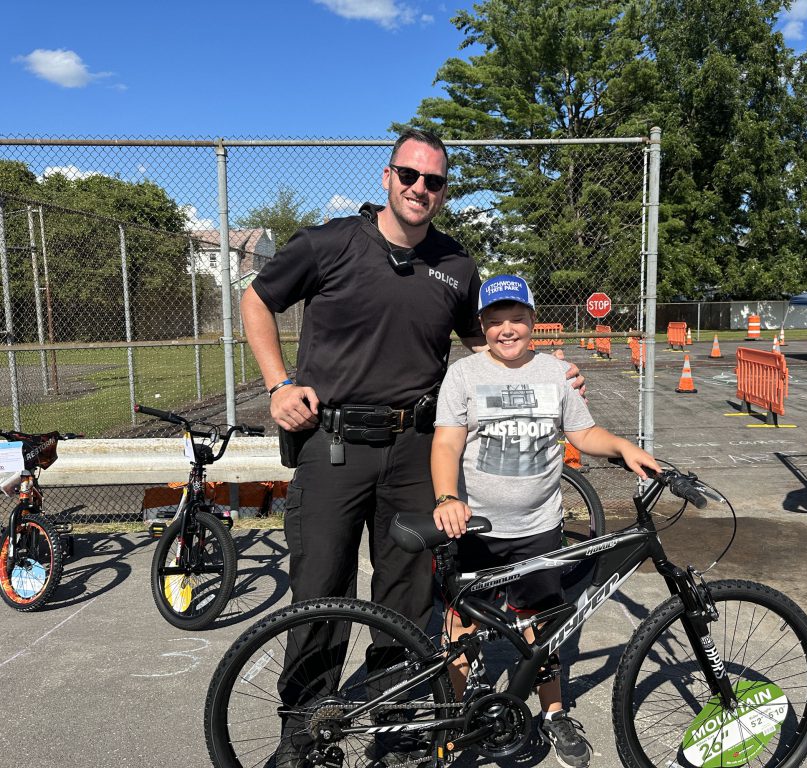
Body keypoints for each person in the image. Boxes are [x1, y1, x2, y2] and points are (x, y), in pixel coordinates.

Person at [240, 130, 582, 766]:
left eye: (434, 181)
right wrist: (278, 383)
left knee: (407, 594)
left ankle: (397, 716)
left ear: (444, 191)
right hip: (332, 443)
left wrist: (545, 371)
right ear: (387, 177)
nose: (420, 188)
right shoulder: (330, 242)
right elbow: (256, 299)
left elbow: (489, 347)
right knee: (321, 585)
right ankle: (305, 725)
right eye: (409, 175)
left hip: (414, 448)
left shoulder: (455, 266)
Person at [431, 274, 660, 768]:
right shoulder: (463, 375)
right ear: (482, 326)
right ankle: (459, 708)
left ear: (534, 322)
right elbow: (447, 441)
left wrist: (622, 446)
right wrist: (448, 496)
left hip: (539, 527)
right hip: (474, 529)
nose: (506, 330)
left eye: (516, 319)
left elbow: (584, 432)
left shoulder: (555, 373)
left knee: (543, 625)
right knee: (460, 621)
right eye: (495, 322)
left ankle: (554, 713)